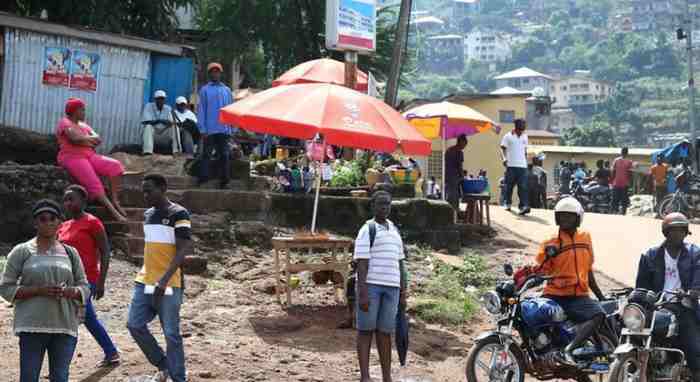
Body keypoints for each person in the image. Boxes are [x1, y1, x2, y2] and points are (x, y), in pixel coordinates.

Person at [0, 199, 90, 382]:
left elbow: (84, 286)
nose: (48, 222)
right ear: (35, 223)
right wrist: (38, 290)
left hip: (64, 325)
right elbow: (5, 287)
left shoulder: (70, 253)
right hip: (31, 326)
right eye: (42, 219)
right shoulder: (22, 251)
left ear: (59, 222)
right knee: (29, 377)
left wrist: (70, 292)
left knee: (60, 377)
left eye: (52, 218)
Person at [127, 174, 192, 382]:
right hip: (145, 281)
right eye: (143, 191)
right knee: (134, 325)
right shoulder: (148, 214)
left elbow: (182, 251)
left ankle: (178, 377)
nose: (145, 195)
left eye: (149, 190)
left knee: (171, 333)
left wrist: (163, 281)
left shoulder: (179, 213)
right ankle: (163, 364)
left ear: (163, 188)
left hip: (169, 284)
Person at [535, 197, 605, 365]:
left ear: (578, 218)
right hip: (554, 294)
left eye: (569, 216)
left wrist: (600, 296)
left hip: (578, 295)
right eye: (561, 216)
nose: (565, 219)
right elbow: (540, 270)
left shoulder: (585, 237)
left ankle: (570, 349)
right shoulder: (549, 242)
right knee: (534, 318)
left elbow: (588, 269)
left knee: (599, 314)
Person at [58, 185, 120, 368]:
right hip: (66, 280)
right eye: (65, 199)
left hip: (87, 280)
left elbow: (105, 251)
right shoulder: (63, 225)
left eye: (72, 199)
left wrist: (101, 281)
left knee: (71, 319)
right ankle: (111, 352)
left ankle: (61, 364)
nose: (68, 203)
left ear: (83, 201)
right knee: (88, 319)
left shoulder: (92, 222)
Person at [635, 212, 700, 380]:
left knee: (694, 349)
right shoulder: (650, 255)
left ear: (686, 233)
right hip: (656, 306)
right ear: (665, 232)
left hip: (683, 306)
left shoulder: (695, 254)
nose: (677, 234)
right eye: (673, 230)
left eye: (681, 230)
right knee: (632, 329)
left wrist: (691, 292)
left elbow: (697, 282)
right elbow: (641, 287)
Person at [355, 191, 407, 382]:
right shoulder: (367, 229)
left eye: (387, 204)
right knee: (366, 330)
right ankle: (365, 377)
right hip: (372, 287)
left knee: (385, 333)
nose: (384, 207)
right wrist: (363, 293)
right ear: (373, 205)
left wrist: (403, 290)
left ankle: (387, 377)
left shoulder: (394, 229)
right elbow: (361, 263)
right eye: (380, 204)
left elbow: (401, 263)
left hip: (392, 288)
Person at [56, 97, 127, 222]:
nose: (84, 112)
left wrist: (83, 141)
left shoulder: (83, 125)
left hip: (90, 155)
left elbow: (98, 139)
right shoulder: (65, 122)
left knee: (115, 166)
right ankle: (114, 213)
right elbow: (74, 139)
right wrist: (86, 140)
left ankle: (115, 199)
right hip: (72, 157)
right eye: (82, 110)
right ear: (74, 111)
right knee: (95, 184)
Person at [197, 62, 235, 188]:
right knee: (206, 153)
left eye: (217, 71)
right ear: (209, 74)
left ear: (220, 73)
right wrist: (202, 128)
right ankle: (203, 179)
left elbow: (231, 109)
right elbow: (201, 110)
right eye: (212, 71)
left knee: (224, 154)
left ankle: (224, 180)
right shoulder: (204, 90)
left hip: (224, 128)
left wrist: (232, 127)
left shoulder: (227, 90)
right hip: (209, 128)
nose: (215, 73)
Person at [501, 119, 530, 215]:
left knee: (523, 187)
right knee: (509, 186)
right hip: (511, 166)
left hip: (522, 166)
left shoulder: (525, 136)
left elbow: (525, 151)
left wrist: (526, 163)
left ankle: (523, 207)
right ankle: (507, 203)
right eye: (523, 124)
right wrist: (504, 159)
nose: (524, 126)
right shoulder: (508, 136)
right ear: (517, 125)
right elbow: (502, 149)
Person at [142, 90, 178, 156]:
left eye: (162, 99)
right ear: (155, 99)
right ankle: (147, 152)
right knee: (148, 127)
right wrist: (161, 120)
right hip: (154, 134)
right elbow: (146, 121)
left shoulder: (168, 108)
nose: (161, 100)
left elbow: (170, 122)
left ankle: (176, 151)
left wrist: (158, 121)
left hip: (164, 134)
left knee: (176, 128)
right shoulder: (148, 106)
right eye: (159, 98)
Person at [445, 135, 468, 210]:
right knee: (455, 196)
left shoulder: (448, 150)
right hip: (455, 178)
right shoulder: (459, 152)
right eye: (465, 144)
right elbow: (459, 166)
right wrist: (462, 177)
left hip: (447, 177)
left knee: (449, 196)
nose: (465, 146)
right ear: (461, 142)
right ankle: (454, 213)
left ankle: (450, 212)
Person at [611, 147, 635, 215]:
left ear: (621, 152)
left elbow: (613, 172)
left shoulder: (616, 160)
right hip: (625, 184)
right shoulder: (629, 162)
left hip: (616, 183)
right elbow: (630, 174)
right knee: (623, 199)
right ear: (627, 153)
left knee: (615, 199)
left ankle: (614, 212)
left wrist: (612, 181)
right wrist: (630, 182)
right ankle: (623, 213)